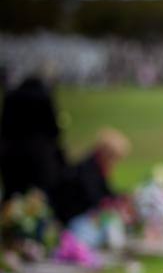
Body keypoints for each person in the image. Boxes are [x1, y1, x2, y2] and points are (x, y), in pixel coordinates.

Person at [0, 77, 128, 223]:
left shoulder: (11, 98)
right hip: (42, 167)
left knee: (15, 201)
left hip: (11, 160)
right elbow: (54, 130)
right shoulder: (43, 100)